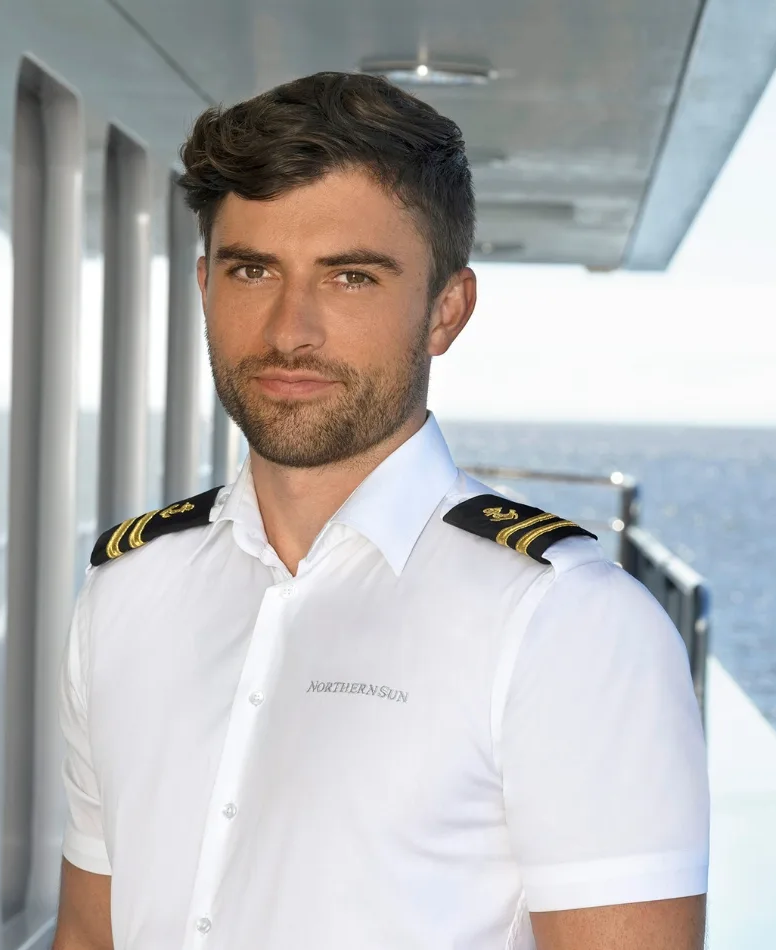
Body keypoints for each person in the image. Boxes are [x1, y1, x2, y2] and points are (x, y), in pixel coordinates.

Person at [51, 71, 709, 950]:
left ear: (447, 310)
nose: (291, 329)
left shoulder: (569, 627)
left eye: (351, 278)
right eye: (253, 270)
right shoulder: (125, 594)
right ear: (206, 284)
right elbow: (91, 936)